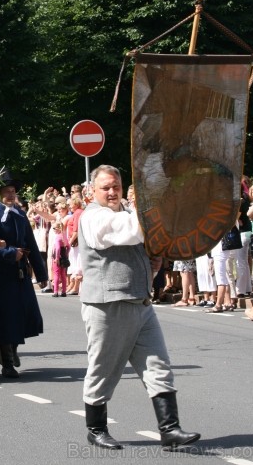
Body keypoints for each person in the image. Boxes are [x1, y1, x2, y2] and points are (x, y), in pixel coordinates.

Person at [78, 165, 199, 450]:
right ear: (92, 191)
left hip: (141, 302)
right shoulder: (93, 216)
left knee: (159, 366)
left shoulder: (129, 214)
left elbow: (142, 239)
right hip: (108, 305)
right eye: (105, 187)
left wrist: (152, 260)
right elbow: (126, 232)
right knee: (103, 369)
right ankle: (96, 429)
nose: (111, 191)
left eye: (116, 186)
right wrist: (160, 210)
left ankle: (170, 430)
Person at [0, 167, 47, 378]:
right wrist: (8, 252)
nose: (10, 194)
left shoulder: (20, 214)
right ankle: (6, 361)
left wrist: (41, 274)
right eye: (6, 191)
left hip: (20, 272)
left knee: (23, 313)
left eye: (12, 191)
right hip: (0, 273)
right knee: (4, 316)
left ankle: (14, 348)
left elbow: (32, 245)